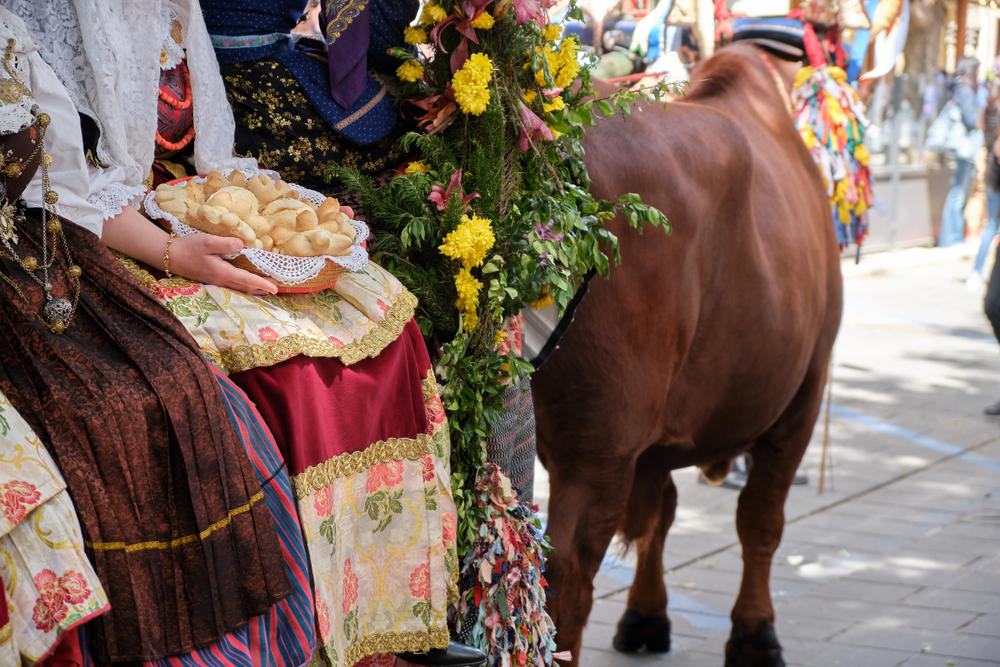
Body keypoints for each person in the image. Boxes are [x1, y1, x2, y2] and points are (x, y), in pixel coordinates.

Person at [4, 2, 482, 665]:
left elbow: (212, 146)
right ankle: (321, 624)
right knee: (297, 363)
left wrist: (268, 209)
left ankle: (391, 612)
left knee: (378, 311)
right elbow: (69, 187)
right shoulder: (42, 19)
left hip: (188, 200)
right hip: (115, 237)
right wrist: (179, 252)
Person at [0, 9, 313, 663]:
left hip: (32, 245)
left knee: (183, 378)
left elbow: (63, 188)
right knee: (99, 409)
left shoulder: (9, 41)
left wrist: (172, 253)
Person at [938, 57, 983, 248]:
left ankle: (952, 235)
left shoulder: (958, 88)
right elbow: (972, 120)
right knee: (957, 192)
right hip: (963, 148)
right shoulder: (964, 90)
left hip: (961, 148)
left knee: (957, 191)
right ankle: (951, 236)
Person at [969, 78, 1000, 288]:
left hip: (991, 170)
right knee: (992, 226)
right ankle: (978, 271)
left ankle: (978, 271)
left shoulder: (988, 109)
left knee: (991, 224)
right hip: (996, 174)